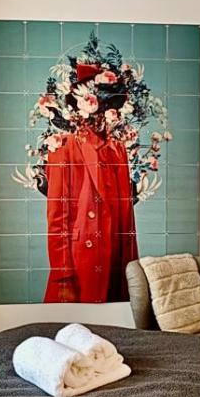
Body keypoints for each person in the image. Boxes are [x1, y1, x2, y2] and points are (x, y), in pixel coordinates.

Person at [43, 65, 138, 303]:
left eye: (111, 107)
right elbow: (57, 216)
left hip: (115, 256)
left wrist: (131, 270)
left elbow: (126, 220)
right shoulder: (64, 147)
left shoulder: (118, 149)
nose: (106, 114)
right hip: (80, 261)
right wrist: (63, 276)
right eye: (101, 105)